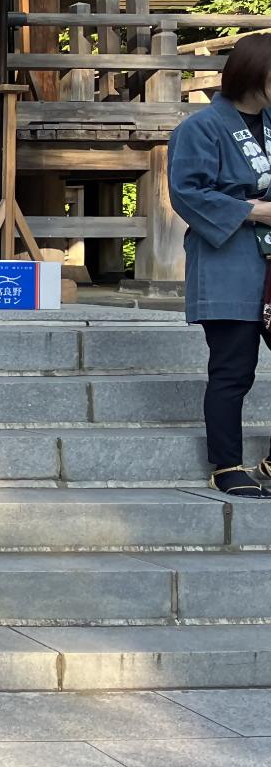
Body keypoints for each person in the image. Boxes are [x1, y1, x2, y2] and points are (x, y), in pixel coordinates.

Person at [167, 32, 271, 497]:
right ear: (255, 74)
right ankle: (227, 463)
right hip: (229, 262)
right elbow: (187, 191)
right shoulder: (202, 127)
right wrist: (257, 209)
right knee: (233, 368)